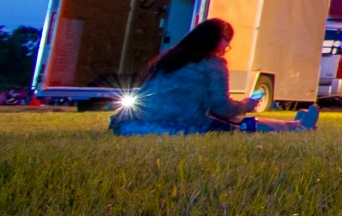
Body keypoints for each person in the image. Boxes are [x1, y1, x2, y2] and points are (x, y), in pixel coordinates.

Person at [110, 20, 319, 136]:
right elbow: (222, 108)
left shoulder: (169, 59)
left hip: (131, 125)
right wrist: (245, 105)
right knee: (243, 126)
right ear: (218, 40)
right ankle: (298, 126)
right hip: (177, 125)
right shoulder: (213, 64)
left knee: (226, 123)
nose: (226, 48)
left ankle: (297, 124)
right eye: (226, 43)